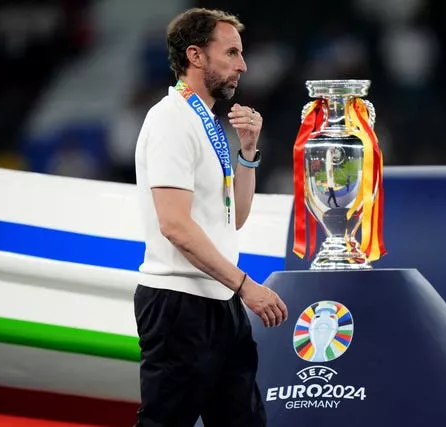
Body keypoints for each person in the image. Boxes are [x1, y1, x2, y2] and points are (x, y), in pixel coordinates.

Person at [132, 8, 288, 427]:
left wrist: (249, 151)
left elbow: (232, 218)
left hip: (219, 300)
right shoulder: (170, 120)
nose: (243, 64)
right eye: (232, 52)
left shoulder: (207, 124)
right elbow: (175, 224)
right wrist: (246, 285)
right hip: (179, 303)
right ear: (196, 56)